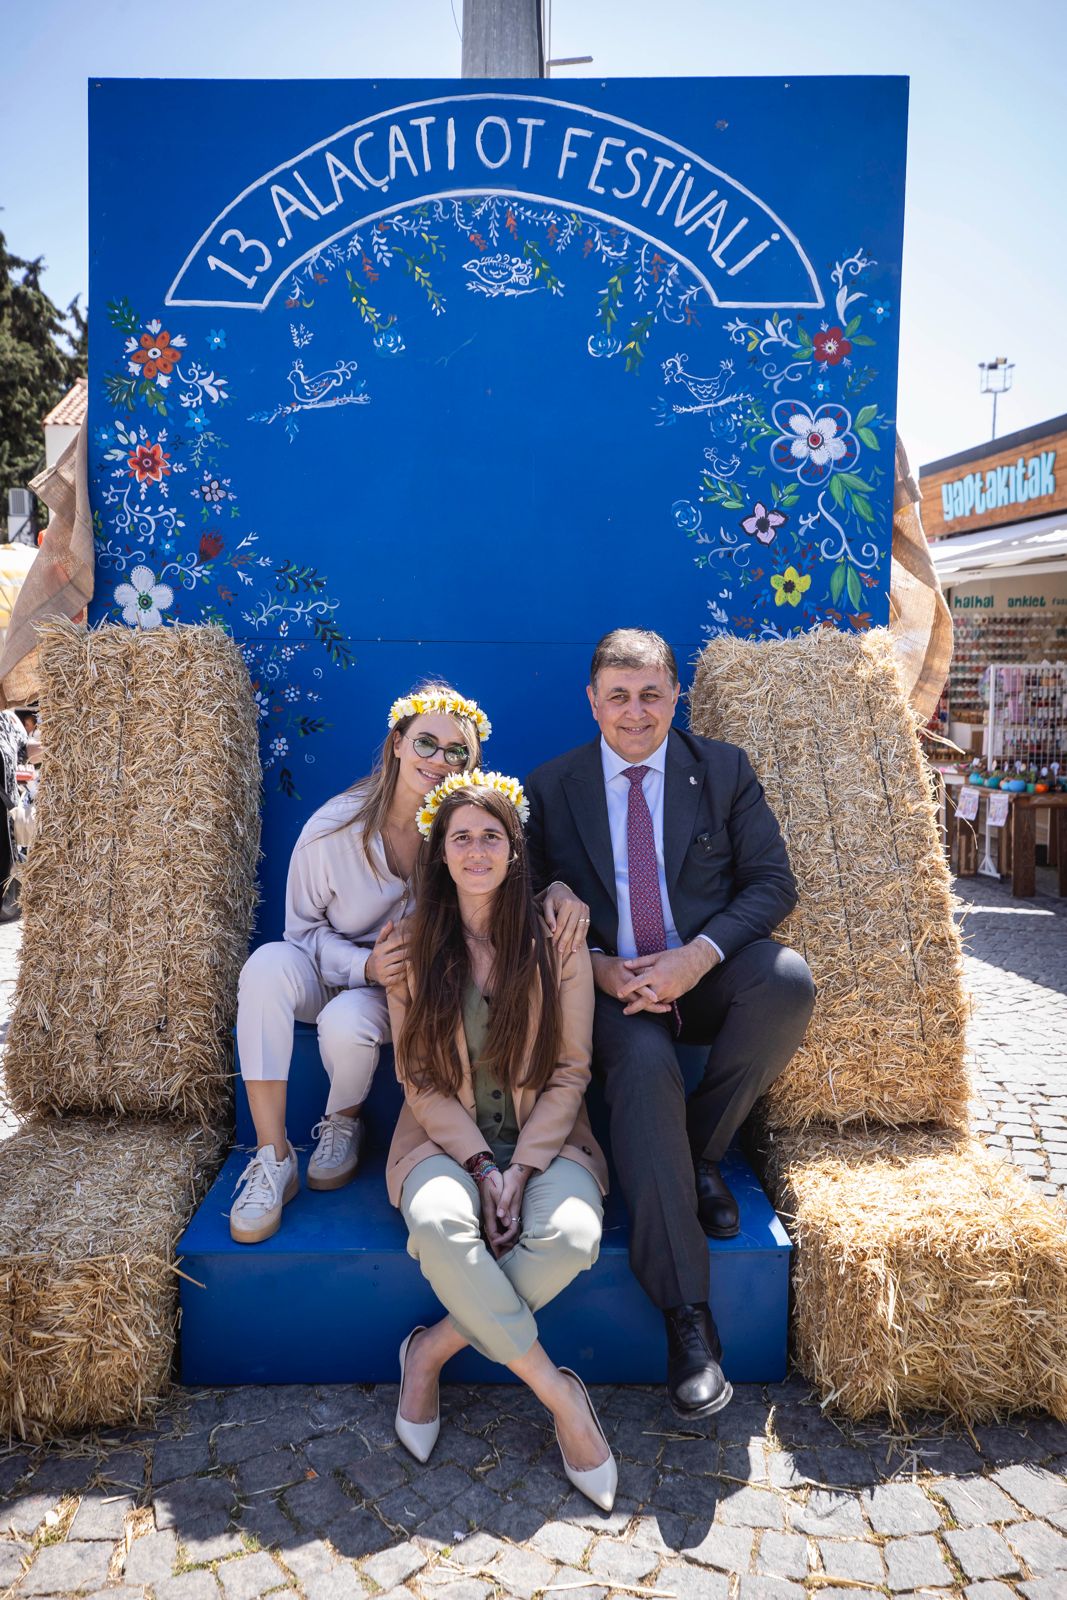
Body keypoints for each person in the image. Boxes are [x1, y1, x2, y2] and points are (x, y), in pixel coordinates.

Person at [525, 628, 815, 1419]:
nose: (634, 710)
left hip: (704, 974)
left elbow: (771, 883)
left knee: (786, 980)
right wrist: (596, 966)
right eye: (617, 695)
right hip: (612, 992)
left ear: (675, 694)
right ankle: (689, 1320)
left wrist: (697, 956)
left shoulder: (721, 770)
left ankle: (695, 1156)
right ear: (592, 701)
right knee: (646, 1067)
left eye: (650, 692)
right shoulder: (550, 788)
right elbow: (525, 907)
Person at [386, 770, 617, 1512]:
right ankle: (560, 1397)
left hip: (546, 1140)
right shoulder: (409, 943)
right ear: (441, 853)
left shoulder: (557, 936)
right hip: (440, 1141)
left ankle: (431, 1350)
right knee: (439, 1226)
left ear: (515, 851)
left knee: (572, 1236)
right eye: (462, 838)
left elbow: (572, 1067)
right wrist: (483, 1167)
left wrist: (520, 1167)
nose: (477, 850)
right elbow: (418, 1080)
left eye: (492, 837)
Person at [229, 684, 489, 1243]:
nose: (438, 761)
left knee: (347, 1020)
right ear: (397, 743)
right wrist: (363, 965)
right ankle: (273, 1157)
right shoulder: (334, 829)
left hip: (401, 993)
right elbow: (298, 932)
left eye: (456, 752)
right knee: (264, 968)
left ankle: (342, 1121)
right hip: (328, 967)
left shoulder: (463, 836)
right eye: (426, 742)